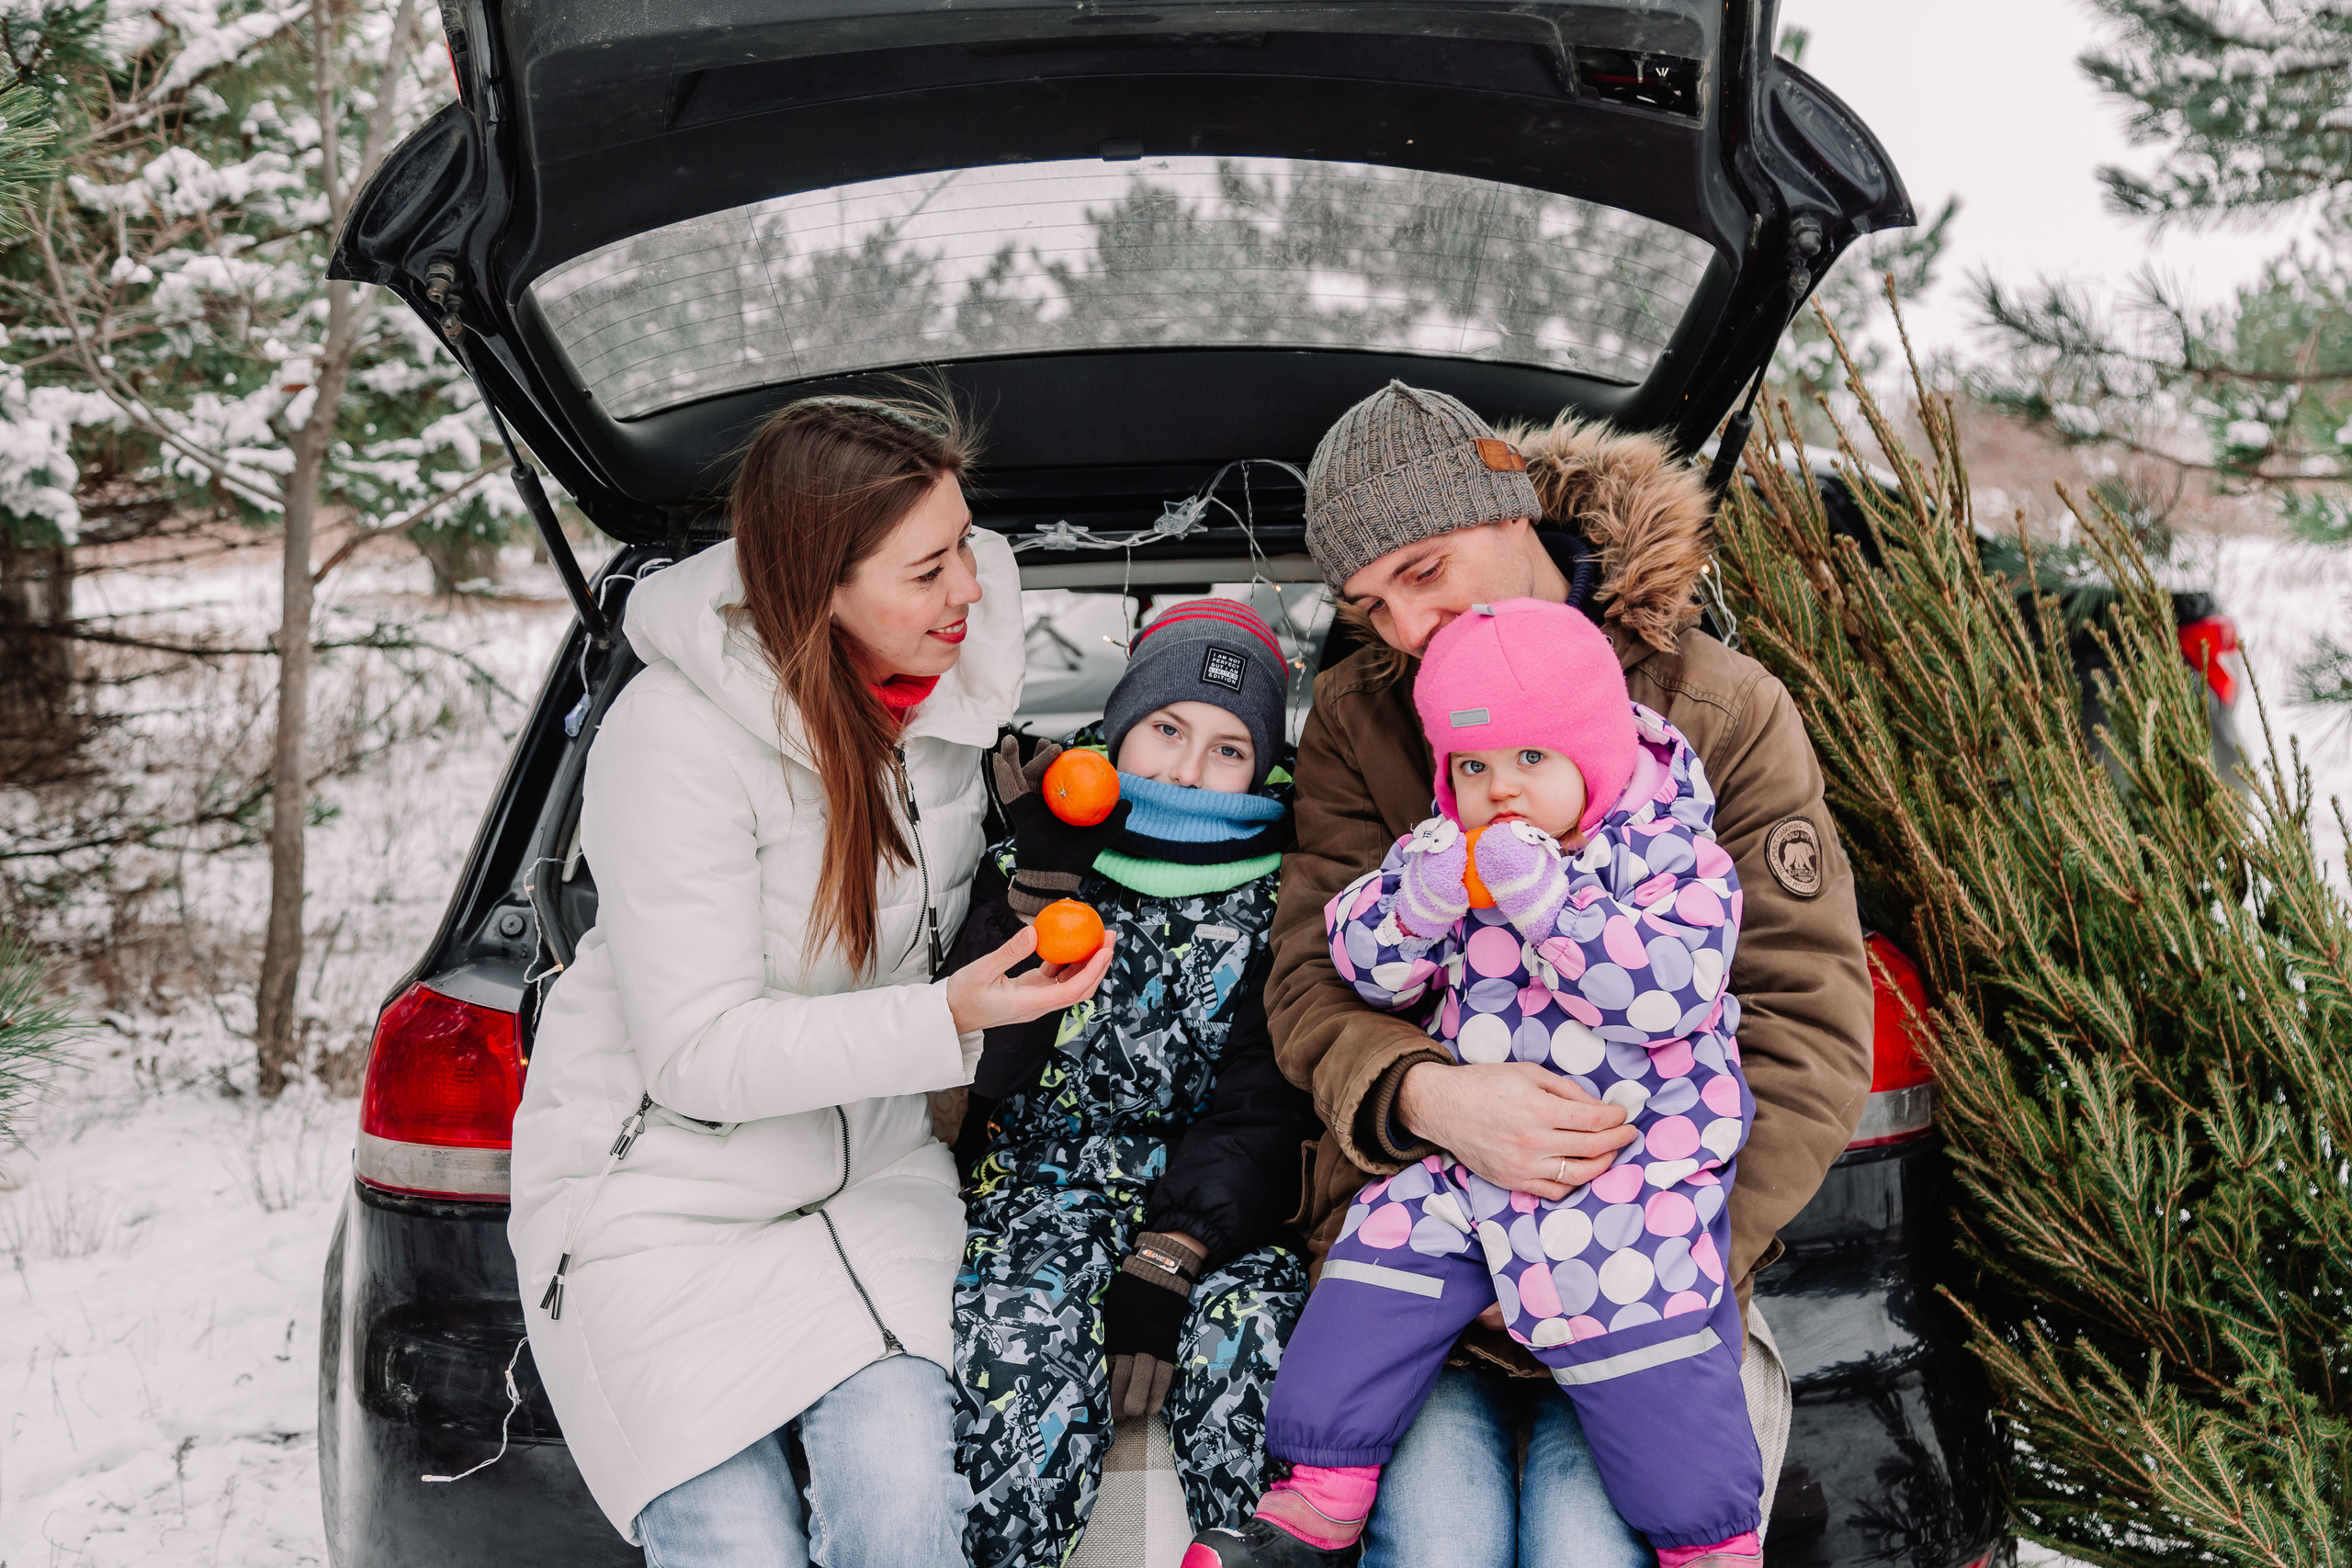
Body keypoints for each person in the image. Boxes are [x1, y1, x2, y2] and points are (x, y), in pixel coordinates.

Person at [1265, 382, 1874, 1567]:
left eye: (1425, 571)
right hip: (1423, 1274)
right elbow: (1311, 972)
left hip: (1650, 1277)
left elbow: (1806, 1030)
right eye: (1366, 602)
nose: (1403, 629)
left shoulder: (1721, 708)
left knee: (1586, 1548)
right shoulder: (1359, 715)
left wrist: (1638, 1246)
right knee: (1440, 1542)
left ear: (1512, 512)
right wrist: (1424, 1097)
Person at [507, 396, 1114, 1567]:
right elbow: (697, 1056)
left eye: (967, 549)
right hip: (662, 1208)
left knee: (908, 1526)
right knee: (732, 1546)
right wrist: (945, 1020)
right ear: (815, 584)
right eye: (928, 569)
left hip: (869, 1184)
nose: (969, 594)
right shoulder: (674, 740)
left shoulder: (945, 704)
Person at [1196, 598, 1761, 1568]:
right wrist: (1410, 908)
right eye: (1472, 767)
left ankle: (1710, 1543)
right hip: (1467, 1162)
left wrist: (1554, 907)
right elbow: (1362, 972)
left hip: (1625, 1168)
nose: (1499, 791)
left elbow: (1668, 997)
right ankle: (1319, 1493)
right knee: (1376, 1260)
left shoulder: (1669, 856)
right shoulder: (1448, 850)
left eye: (1531, 761)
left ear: (1595, 754)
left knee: (1647, 1338)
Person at [948, 599, 1324, 1568]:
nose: (1187, 771)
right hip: (1039, 1189)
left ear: (1264, 765)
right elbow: (981, 1070)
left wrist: (1175, 1247)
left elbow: (1267, 1097)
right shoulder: (1031, 859)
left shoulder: (1289, 895)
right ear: (1118, 731)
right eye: (1165, 730)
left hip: (1217, 1210)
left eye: (1228, 748)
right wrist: (1036, 898)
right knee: (1018, 1357)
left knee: (1251, 1340)